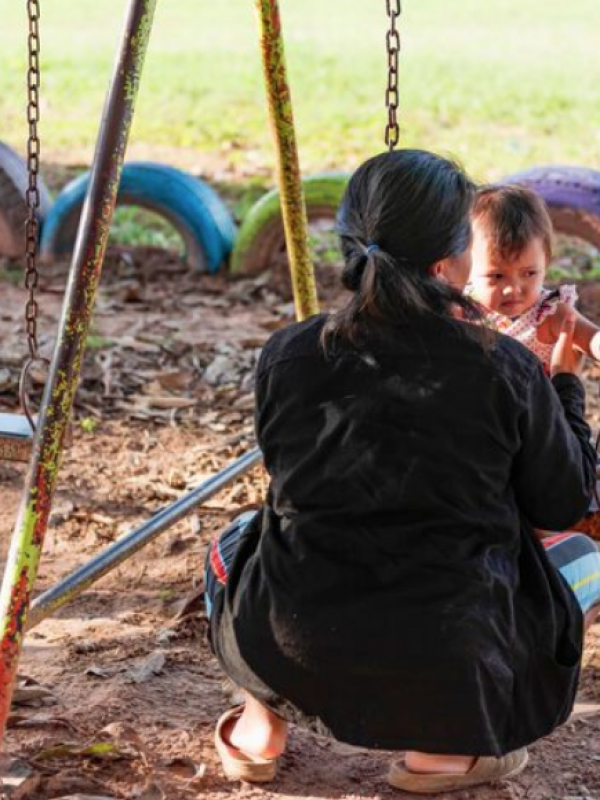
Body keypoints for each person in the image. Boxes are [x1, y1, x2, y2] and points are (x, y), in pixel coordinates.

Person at [204, 150, 600, 793]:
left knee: (238, 540)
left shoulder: (288, 354)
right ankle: (441, 750)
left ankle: (259, 726)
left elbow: (289, 481)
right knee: (583, 557)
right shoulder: (504, 368)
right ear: (449, 263)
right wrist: (564, 387)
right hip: (451, 653)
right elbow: (564, 503)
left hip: (296, 638)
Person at [469, 184, 600, 374]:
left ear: (545, 263)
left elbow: (593, 339)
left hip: (542, 394)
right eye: (497, 276)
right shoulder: (463, 309)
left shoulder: (551, 314)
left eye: (529, 273)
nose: (513, 289)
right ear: (466, 266)